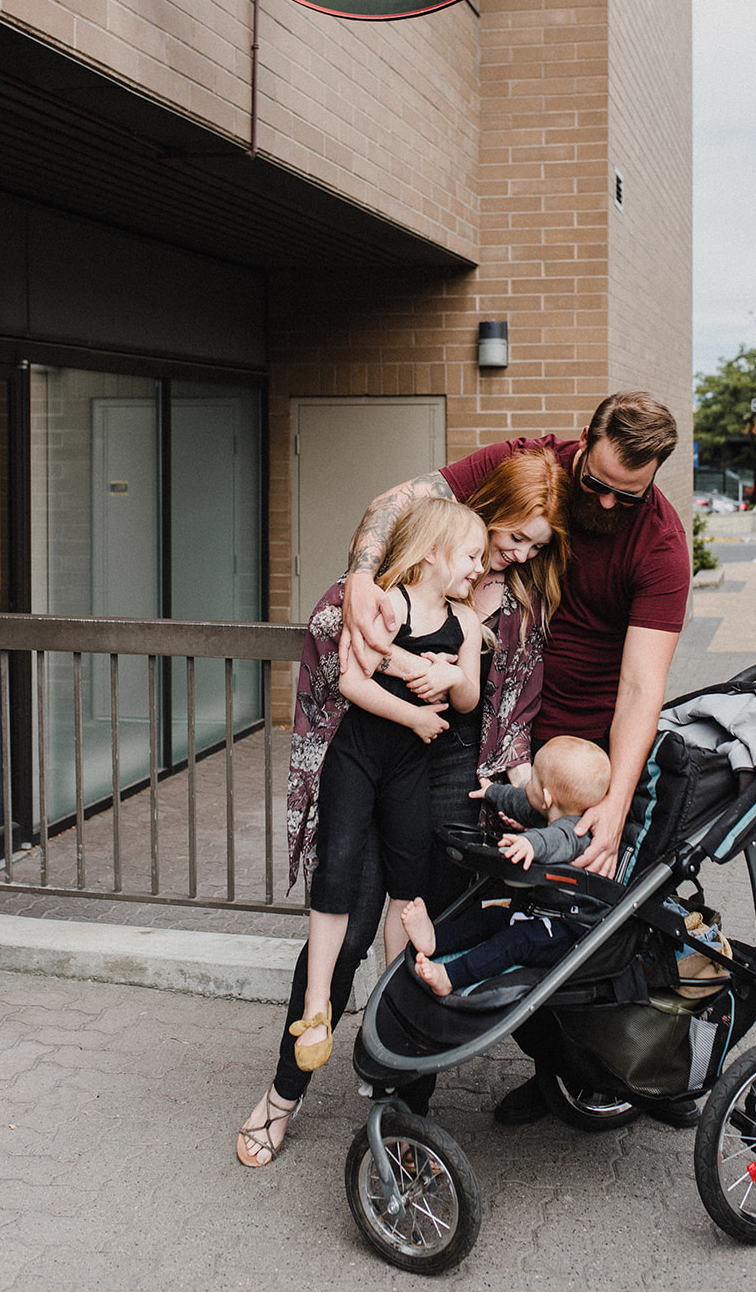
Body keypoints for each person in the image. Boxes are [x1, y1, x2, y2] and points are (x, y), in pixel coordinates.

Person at [340, 390, 695, 1127]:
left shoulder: (659, 543)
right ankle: (439, 1063)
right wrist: (361, 581)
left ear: (654, 479)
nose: (603, 501)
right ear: (583, 442)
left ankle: (588, 1065)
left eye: (626, 495)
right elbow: (394, 502)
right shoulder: (530, 468)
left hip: (580, 759)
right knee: (479, 891)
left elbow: (641, 688)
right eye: (594, 482)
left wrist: (616, 802)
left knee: (574, 911)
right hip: (497, 732)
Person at [236, 448, 569, 1166]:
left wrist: (528, 794)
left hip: (455, 780)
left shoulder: (518, 609)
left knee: (427, 936)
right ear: (477, 520)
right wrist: (405, 664)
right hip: (375, 755)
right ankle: (284, 1091)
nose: (515, 555)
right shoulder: (389, 581)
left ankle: (406, 1106)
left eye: (534, 546)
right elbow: (333, 644)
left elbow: (510, 714)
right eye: (511, 536)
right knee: (349, 930)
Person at [401, 735, 612, 998]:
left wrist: (530, 843)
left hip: (568, 930)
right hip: (538, 915)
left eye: (532, 779)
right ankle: (435, 938)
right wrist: (492, 792)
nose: (527, 784)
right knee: (490, 917)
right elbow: (521, 802)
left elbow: (557, 840)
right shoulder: (548, 810)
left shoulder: (579, 832)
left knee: (516, 941)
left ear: (547, 797)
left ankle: (451, 977)